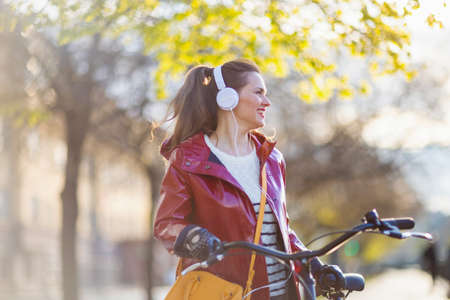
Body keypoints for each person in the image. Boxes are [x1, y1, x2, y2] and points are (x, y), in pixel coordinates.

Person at [153, 59, 344, 300]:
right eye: (258, 93)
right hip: (227, 294)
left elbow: (279, 229)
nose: (267, 101)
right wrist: (197, 240)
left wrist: (313, 264)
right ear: (228, 98)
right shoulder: (189, 160)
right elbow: (166, 223)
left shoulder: (272, 158)